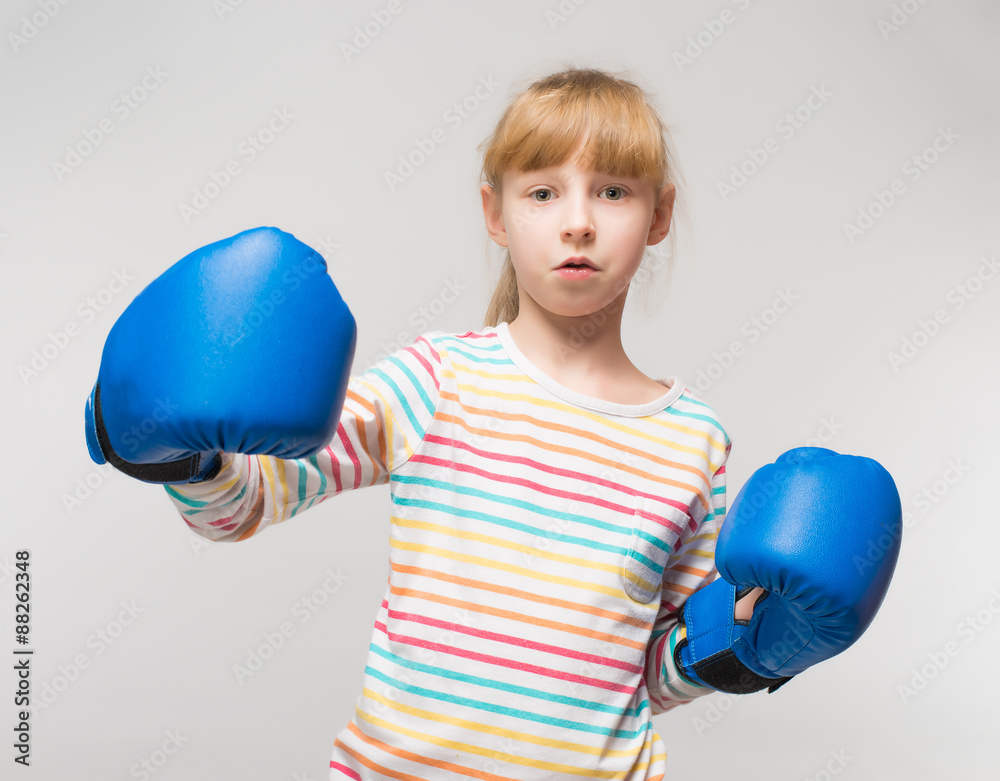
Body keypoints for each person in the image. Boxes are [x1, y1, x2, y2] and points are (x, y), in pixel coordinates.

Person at [90, 66, 898, 779]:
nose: (577, 221)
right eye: (543, 192)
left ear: (659, 215)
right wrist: (173, 453)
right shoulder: (439, 379)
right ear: (496, 212)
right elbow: (246, 506)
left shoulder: (692, 439)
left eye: (612, 191)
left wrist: (756, 647)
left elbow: (652, 668)